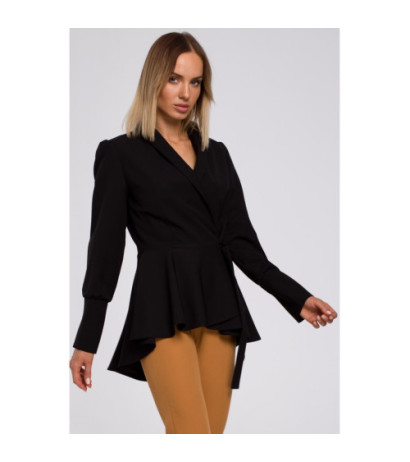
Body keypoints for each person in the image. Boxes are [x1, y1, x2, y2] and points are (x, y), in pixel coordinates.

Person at [69, 31, 337, 434]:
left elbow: (242, 244)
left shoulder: (217, 154)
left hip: (219, 306)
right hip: (161, 307)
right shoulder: (120, 154)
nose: (186, 93)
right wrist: (87, 338)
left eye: (195, 82)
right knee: (191, 434)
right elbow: (105, 251)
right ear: (153, 80)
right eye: (174, 79)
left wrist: (296, 297)